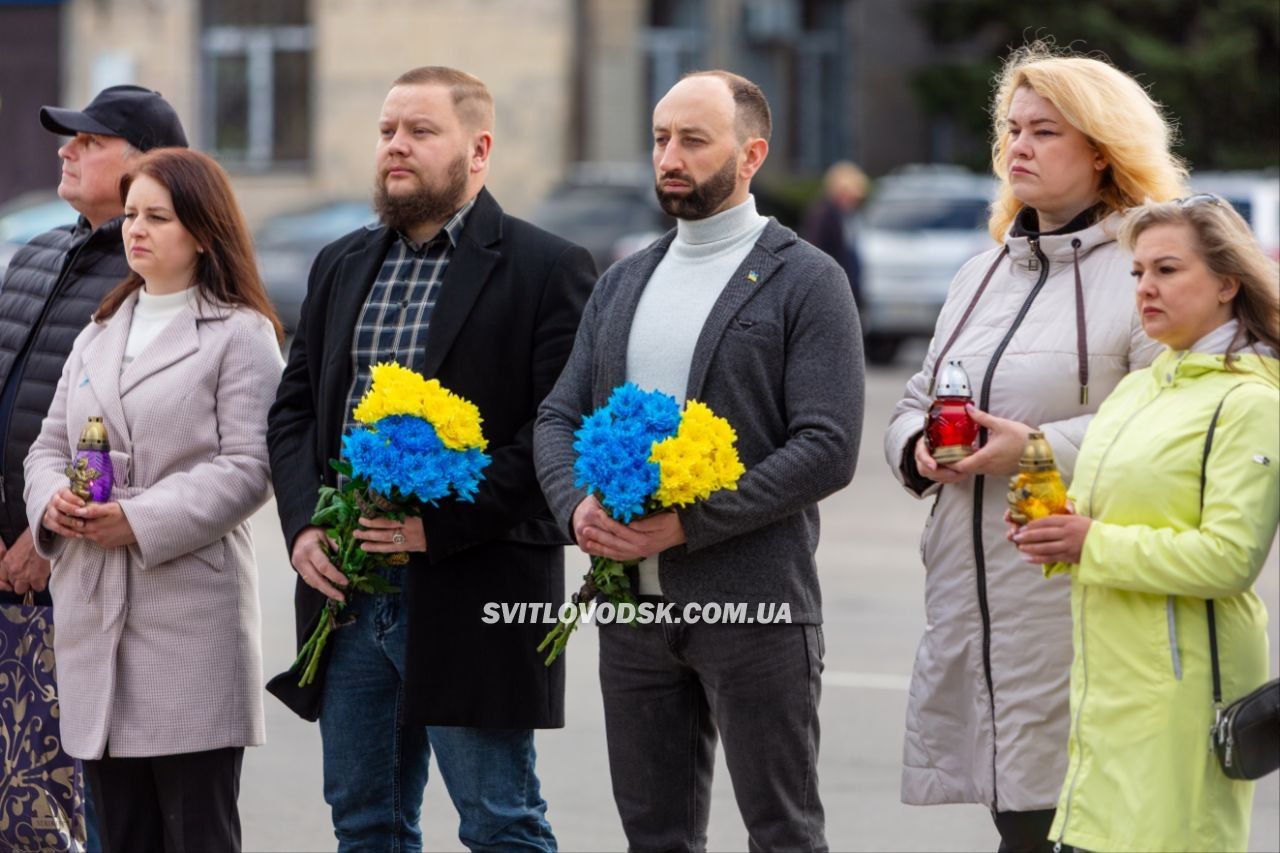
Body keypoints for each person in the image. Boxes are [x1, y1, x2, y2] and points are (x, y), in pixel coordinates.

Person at [266, 66, 595, 851]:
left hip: (475, 588)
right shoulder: (341, 262)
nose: (396, 148)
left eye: (419, 131)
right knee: (365, 822)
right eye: (387, 131)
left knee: (500, 822)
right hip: (347, 597)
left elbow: (558, 431)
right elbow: (295, 410)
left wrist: (432, 530)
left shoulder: (548, 266)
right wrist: (306, 525)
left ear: (478, 149)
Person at [535, 70, 863, 852]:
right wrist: (575, 504)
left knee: (782, 832)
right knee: (655, 836)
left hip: (755, 608)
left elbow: (828, 446)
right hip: (632, 612)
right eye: (659, 139)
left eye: (692, 140)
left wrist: (687, 525)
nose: (669, 157)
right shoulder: (623, 281)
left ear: (751, 155)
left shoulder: (806, 280)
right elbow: (557, 414)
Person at [882, 42, 1187, 852]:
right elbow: (913, 402)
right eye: (1012, 129)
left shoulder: (1148, 268)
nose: (1018, 146)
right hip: (969, 595)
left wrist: (1036, 446)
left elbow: (1175, 421)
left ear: (1102, 150)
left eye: (1044, 131)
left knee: (1075, 824)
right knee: (1019, 822)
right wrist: (917, 447)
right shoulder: (978, 275)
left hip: (1074, 599)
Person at [22, 147, 283, 851]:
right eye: (131, 214)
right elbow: (48, 444)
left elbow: (249, 467)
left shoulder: (239, 332)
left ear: (201, 230)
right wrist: (53, 503)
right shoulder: (101, 328)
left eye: (157, 217)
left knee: (197, 830)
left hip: (186, 617)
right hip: (91, 605)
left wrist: (135, 519)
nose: (136, 229)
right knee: (121, 831)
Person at [1011, 196, 1279, 852]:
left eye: (1166, 269)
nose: (1146, 288)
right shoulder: (1139, 386)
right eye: (1136, 273)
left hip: (1185, 690)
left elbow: (1229, 558)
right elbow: (1115, 520)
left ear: (1226, 282)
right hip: (1105, 674)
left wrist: (1091, 542)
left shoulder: (1251, 401)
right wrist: (1056, 526)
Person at [1, 85, 187, 603]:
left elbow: (148, 435)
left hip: (82, 567)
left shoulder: (159, 276)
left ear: (148, 164)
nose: (65, 151)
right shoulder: (34, 254)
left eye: (88, 141)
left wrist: (45, 538)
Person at [801, 159, 867, 308]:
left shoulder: (846, 216)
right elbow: (816, 254)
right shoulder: (823, 216)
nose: (855, 200)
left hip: (845, 290)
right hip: (832, 294)